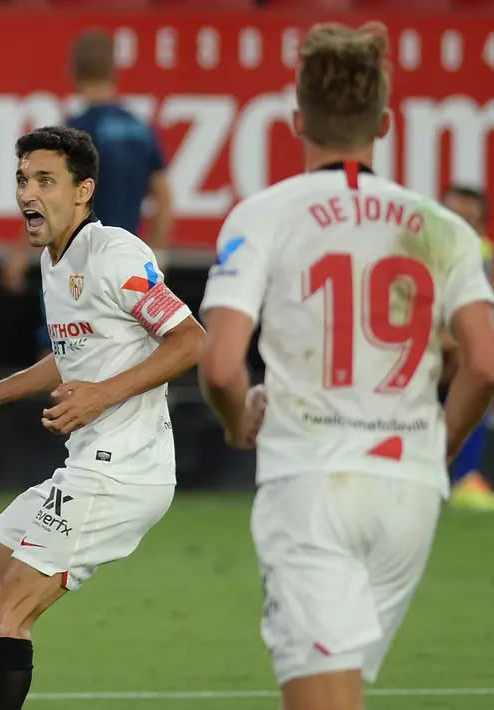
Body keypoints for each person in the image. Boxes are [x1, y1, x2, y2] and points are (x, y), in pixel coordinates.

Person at [197, 23, 494, 710]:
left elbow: (218, 366)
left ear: (296, 119)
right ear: (385, 122)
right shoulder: (440, 227)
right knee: (340, 690)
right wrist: (439, 448)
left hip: (311, 485)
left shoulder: (263, 214)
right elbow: (482, 361)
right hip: (408, 493)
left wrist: (238, 416)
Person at [0, 126, 203, 710]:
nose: (28, 194)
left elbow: (190, 341)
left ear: (82, 191)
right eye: (22, 180)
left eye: (45, 180)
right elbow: (73, 354)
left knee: (3, 610)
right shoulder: (56, 260)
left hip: (123, 471)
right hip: (89, 466)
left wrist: (101, 395)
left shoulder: (114, 252)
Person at [2, 30, 173, 359]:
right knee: (121, 353)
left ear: (74, 72)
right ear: (114, 70)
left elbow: (48, 201)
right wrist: (158, 255)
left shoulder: (73, 133)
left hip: (78, 261)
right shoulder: (141, 130)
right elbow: (165, 200)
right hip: (124, 264)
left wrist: (18, 255)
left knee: (61, 353)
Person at [440, 184, 494, 510]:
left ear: (481, 227)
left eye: (466, 220)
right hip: (426, 356)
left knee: (475, 362)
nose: (456, 227)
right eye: (449, 217)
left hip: (465, 355)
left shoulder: (485, 263)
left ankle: (468, 478)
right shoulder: (417, 252)